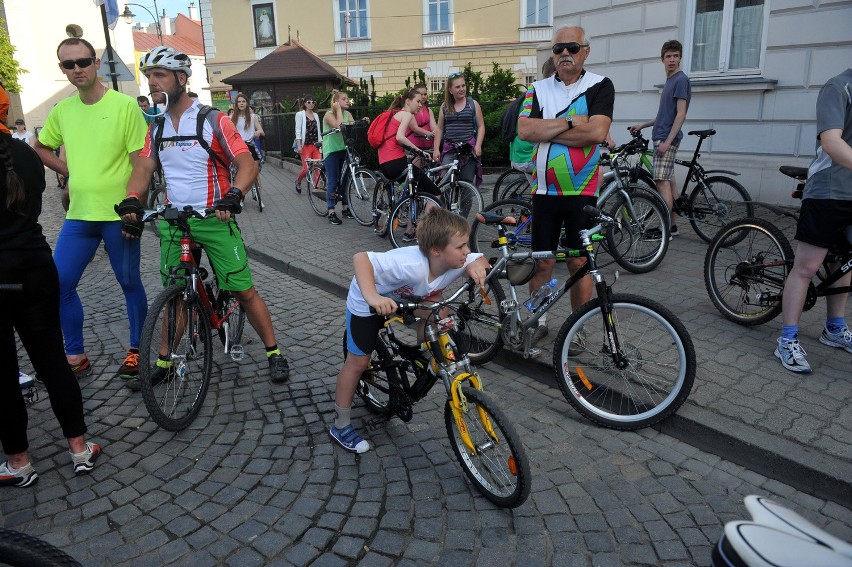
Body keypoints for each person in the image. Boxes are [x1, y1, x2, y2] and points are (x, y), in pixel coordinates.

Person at [120, 46, 290, 384]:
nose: (152, 82)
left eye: (160, 76)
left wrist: (233, 195)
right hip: (174, 222)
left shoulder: (213, 119)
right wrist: (130, 200)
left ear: (181, 79)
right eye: (148, 76)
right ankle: (166, 362)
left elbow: (247, 163)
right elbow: (143, 168)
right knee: (176, 295)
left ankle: (274, 351)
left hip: (214, 218)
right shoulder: (155, 128)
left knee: (243, 291)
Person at [33, 37, 149, 381]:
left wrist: (134, 204)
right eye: (68, 65)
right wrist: (71, 172)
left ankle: (136, 350)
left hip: (118, 214)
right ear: (62, 69)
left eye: (82, 61)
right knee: (60, 283)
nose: (77, 69)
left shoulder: (125, 106)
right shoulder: (63, 110)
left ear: (96, 63)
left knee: (129, 282)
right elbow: (40, 147)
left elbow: (140, 162)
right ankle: (75, 356)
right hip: (80, 215)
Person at [329, 208, 489, 453]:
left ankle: (426, 360)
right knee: (358, 362)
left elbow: (479, 258)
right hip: (369, 299)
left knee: (440, 312)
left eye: (466, 245)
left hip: (409, 297)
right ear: (436, 250)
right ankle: (340, 426)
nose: (466, 252)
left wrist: (478, 263)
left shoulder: (455, 258)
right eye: (460, 247)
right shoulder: (409, 264)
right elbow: (361, 258)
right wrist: (372, 297)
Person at [0, 106, 101, 488]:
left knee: (3, 374)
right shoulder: (25, 154)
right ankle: (79, 448)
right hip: (36, 267)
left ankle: (18, 462)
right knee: (53, 362)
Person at [517, 26, 614, 341]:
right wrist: (573, 122)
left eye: (572, 48)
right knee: (541, 262)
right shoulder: (538, 88)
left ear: (586, 50)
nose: (564, 55)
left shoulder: (600, 85)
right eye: (558, 49)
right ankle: (538, 322)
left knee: (578, 262)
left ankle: (577, 330)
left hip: (581, 192)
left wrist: (547, 129)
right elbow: (525, 131)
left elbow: (596, 134)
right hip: (544, 192)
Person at [774, 68, 852, 374]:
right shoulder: (838, 87)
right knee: (806, 267)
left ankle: (834, 328)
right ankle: (786, 340)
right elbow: (832, 141)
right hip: (829, 190)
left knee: (844, 262)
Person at [629, 40, 691, 237]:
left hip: (666, 139)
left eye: (675, 56)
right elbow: (664, 116)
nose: (672, 59)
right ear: (662, 59)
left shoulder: (681, 80)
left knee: (661, 183)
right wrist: (642, 125)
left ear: (680, 58)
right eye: (668, 56)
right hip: (663, 135)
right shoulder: (670, 81)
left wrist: (666, 142)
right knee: (669, 183)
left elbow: (681, 114)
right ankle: (672, 226)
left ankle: (665, 230)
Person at [377, 87, 442, 242]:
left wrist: (411, 151)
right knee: (435, 192)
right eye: (417, 101)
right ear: (407, 101)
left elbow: (394, 140)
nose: (420, 105)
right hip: (396, 162)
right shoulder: (405, 114)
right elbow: (399, 137)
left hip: (385, 163)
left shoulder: (396, 115)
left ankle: (408, 219)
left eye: (421, 101)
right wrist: (419, 151)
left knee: (413, 190)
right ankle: (422, 229)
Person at [432, 73, 485, 188]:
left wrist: (478, 145)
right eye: (457, 87)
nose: (462, 89)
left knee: (467, 186)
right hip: (449, 150)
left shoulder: (473, 104)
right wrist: (436, 149)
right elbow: (439, 128)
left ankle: (464, 207)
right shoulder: (444, 106)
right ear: (450, 90)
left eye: (463, 85)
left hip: (468, 151)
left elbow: (481, 126)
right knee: (444, 184)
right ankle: (445, 206)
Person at [509, 59, 556, 181]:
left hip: (519, 154)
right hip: (528, 156)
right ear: (554, 74)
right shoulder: (543, 95)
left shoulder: (539, 93)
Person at [322, 90, 357, 225]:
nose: (347, 101)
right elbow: (339, 126)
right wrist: (337, 110)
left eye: (348, 98)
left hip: (344, 149)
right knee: (333, 181)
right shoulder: (329, 115)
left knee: (345, 180)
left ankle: (345, 209)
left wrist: (361, 122)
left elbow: (352, 127)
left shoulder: (347, 113)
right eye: (343, 99)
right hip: (331, 151)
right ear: (336, 102)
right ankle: (331, 211)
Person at [294, 96, 322, 194]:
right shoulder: (300, 114)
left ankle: (317, 187)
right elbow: (298, 130)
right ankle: (298, 181)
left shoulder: (316, 115)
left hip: (316, 145)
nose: (311, 104)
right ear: (305, 103)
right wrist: (299, 145)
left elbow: (318, 130)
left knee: (318, 166)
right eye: (309, 102)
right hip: (305, 145)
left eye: (313, 102)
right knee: (306, 168)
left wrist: (321, 144)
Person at [406, 83, 436, 151]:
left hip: (429, 144)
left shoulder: (428, 110)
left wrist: (436, 132)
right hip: (414, 144)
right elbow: (415, 128)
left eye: (425, 94)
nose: (423, 96)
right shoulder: (410, 110)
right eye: (420, 94)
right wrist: (430, 134)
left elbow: (434, 126)